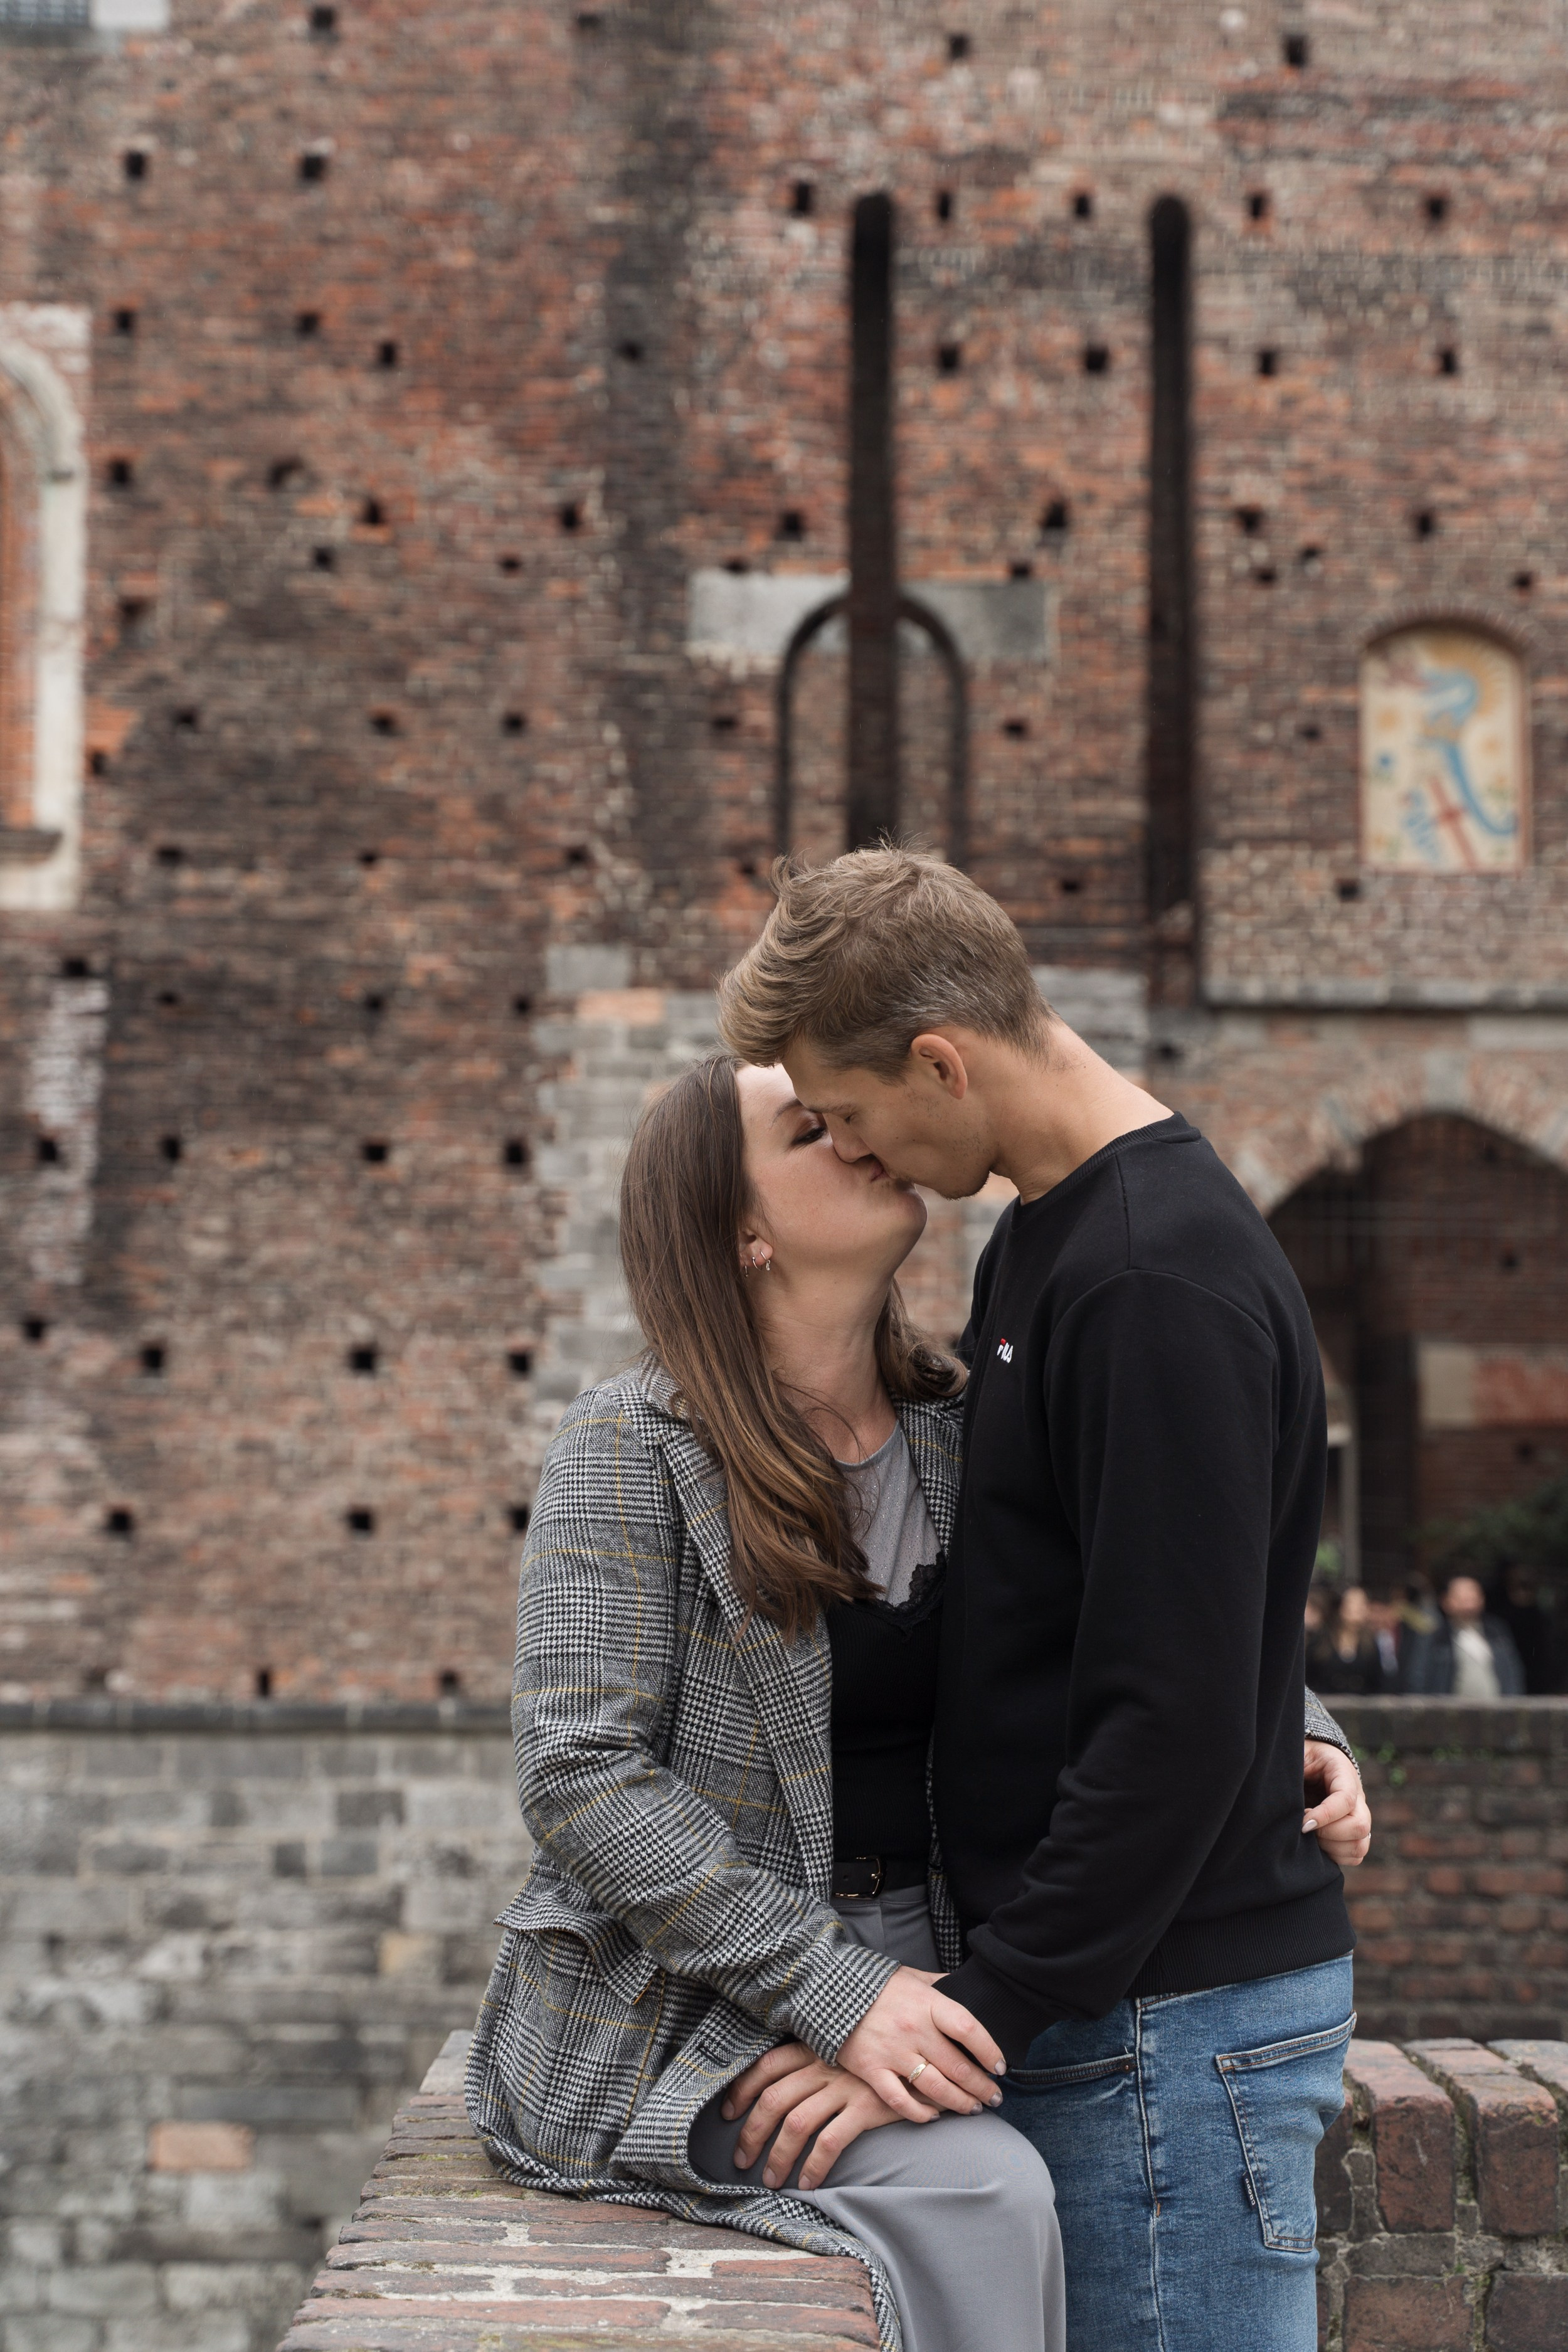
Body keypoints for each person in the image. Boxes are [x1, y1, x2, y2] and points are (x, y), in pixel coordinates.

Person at [466, 1051, 1368, 2352]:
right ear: (743, 1230)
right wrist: (835, 1994)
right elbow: (578, 1776)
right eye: (808, 1131)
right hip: (693, 2010)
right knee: (988, 2191)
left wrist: (1294, 1720)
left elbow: (1160, 1594)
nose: (855, 1136)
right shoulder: (629, 1449)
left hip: (949, 1980)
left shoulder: (957, 1417)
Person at [718, 846, 1372, 2352]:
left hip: (1169, 2025)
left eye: (852, 1109)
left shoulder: (1148, 1278)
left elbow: (1174, 1716)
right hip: (1127, 2007)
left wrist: (972, 2014)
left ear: (939, 1060)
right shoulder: (1055, 1236)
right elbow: (1123, 1602)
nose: (855, 1147)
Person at [1398, 1572, 1526, 1697]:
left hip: (1495, 1713)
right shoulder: (1434, 1636)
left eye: (1473, 1598)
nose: (1469, 1605)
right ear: (1446, 1601)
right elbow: (1417, 1678)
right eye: (1462, 1599)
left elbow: (1513, 1673)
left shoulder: (1497, 1632)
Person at [1306, 1582, 1385, 1696]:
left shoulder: (1371, 1644)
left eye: (1363, 1604)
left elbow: (1378, 1682)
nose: (1358, 1609)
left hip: (1361, 1708)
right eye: (1353, 1603)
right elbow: (1309, 1677)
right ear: (1341, 1606)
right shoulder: (1322, 1641)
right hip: (1325, 1707)